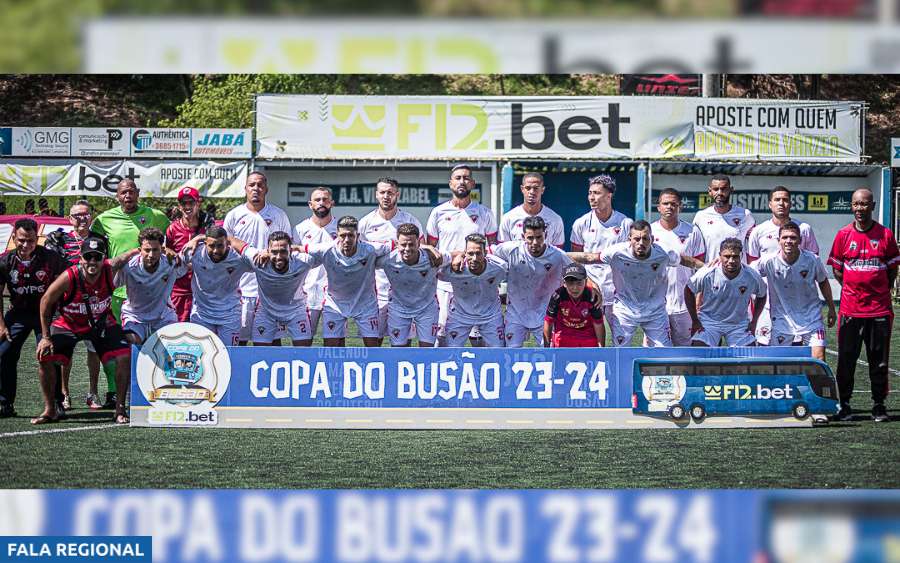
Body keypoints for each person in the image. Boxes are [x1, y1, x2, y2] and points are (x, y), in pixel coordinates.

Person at [35, 236, 134, 424]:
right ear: (81, 258)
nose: (92, 262)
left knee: (124, 355)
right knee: (44, 356)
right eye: (88, 257)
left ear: (103, 258)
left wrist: (141, 250)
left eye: (97, 257)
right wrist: (46, 337)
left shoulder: (110, 270)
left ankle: (120, 409)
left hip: (101, 323)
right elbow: (45, 301)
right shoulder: (69, 276)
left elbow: (126, 256)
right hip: (69, 323)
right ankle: (50, 409)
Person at [90, 178, 169, 407]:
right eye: (123, 192)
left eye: (131, 192)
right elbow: (94, 249)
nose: (128, 196)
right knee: (116, 346)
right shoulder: (103, 220)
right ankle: (115, 392)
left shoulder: (155, 215)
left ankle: (153, 389)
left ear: (138, 193)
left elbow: (168, 238)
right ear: (117, 196)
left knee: (154, 345)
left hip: (148, 290)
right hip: (116, 293)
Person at [827, 188, 900, 422]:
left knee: (879, 361)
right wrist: (853, 287)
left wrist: (877, 290)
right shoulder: (843, 235)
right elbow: (838, 270)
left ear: (873, 205)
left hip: (879, 310)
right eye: (856, 204)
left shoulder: (886, 235)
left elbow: (892, 270)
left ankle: (879, 405)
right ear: (852, 206)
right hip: (850, 310)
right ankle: (844, 404)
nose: (860, 209)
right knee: (846, 360)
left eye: (864, 204)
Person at [0, 219, 68, 417]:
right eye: (21, 240)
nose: (25, 245)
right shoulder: (5, 261)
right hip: (19, 312)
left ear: (36, 239)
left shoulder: (51, 259)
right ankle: (4, 402)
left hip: (46, 314)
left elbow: (66, 285)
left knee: (49, 354)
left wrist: (61, 315)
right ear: (14, 238)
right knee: (4, 352)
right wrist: (2, 325)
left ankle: (56, 403)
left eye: (30, 241)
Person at [426, 164, 498, 346]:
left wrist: (470, 260)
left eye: (466, 178)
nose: (462, 181)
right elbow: (431, 250)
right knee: (441, 332)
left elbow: (493, 247)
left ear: (472, 183)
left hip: (476, 283)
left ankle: (480, 372)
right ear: (450, 183)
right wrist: (453, 257)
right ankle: (440, 370)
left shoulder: (484, 213)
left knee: (477, 335)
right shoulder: (438, 212)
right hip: (446, 283)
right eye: (457, 178)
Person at [223, 171, 292, 346]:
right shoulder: (234, 215)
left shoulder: (279, 215)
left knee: (272, 342)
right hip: (242, 289)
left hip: (270, 290)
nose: (256, 188)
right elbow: (226, 244)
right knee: (240, 342)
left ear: (266, 189)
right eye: (252, 185)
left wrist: (270, 254)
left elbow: (287, 248)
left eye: (260, 185)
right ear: (245, 188)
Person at [46, 200, 103, 409]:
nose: (82, 219)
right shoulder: (60, 240)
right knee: (64, 352)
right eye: (77, 215)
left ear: (91, 217)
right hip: (66, 305)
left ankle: (93, 393)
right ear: (69, 219)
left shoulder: (100, 240)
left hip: (93, 304)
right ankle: (64, 393)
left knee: (94, 349)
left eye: (86, 214)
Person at [747, 186, 821, 345]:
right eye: (777, 200)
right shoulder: (758, 231)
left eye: (785, 200)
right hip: (767, 302)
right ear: (769, 204)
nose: (781, 203)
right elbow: (752, 269)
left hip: (799, 305)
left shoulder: (804, 229)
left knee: (798, 350)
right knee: (764, 348)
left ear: (791, 204)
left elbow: (812, 264)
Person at [301, 216, 390, 347]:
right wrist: (267, 253)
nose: (346, 240)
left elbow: (398, 246)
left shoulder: (370, 249)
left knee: (373, 349)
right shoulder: (326, 249)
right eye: (343, 236)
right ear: (337, 235)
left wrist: (428, 249)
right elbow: (298, 249)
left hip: (365, 304)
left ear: (358, 236)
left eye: (351, 235)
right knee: (330, 350)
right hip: (335, 304)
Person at [754, 222, 836, 360]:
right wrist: (719, 262)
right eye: (785, 237)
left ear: (800, 240)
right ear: (778, 240)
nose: (788, 241)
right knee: (777, 364)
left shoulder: (812, 260)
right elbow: (746, 272)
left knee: (819, 359)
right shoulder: (768, 261)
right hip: (782, 320)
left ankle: (818, 383)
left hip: (811, 319)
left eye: (793, 237)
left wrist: (832, 308)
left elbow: (823, 282)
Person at [358, 177, 424, 345]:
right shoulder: (365, 223)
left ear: (397, 195)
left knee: (403, 344)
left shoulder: (410, 221)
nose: (386, 196)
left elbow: (421, 252)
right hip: (375, 293)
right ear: (376, 195)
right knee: (373, 342)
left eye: (390, 193)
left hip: (405, 293)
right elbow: (359, 254)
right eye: (382, 192)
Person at [490, 216, 572, 347]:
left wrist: (592, 286)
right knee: (511, 354)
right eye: (530, 238)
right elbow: (486, 252)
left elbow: (576, 271)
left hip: (546, 315)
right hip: (515, 315)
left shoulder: (557, 255)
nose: (535, 242)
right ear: (523, 236)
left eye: (539, 237)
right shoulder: (511, 249)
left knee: (550, 355)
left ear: (545, 235)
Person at [570, 174, 632, 339]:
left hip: (618, 293)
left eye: (597, 193)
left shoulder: (626, 223)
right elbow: (575, 260)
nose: (592, 197)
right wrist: (589, 284)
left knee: (620, 340)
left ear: (609, 195)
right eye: (590, 193)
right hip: (590, 291)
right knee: (589, 339)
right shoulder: (580, 223)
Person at [685, 238, 767, 347]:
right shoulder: (707, 272)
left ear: (741, 256)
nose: (731, 261)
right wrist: (695, 320)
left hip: (738, 324)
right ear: (720, 255)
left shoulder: (752, 275)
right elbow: (688, 290)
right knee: (699, 350)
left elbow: (762, 295)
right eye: (727, 256)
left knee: (748, 357)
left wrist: (754, 321)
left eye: (735, 256)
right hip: (709, 322)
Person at [651, 188, 706, 346]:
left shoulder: (692, 232)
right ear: (658, 207)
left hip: (685, 304)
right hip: (657, 305)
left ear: (680, 206)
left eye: (673, 204)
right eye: (665, 203)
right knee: (657, 352)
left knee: (685, 351)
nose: (669, 207)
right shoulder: (650, 232)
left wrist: (698, 300)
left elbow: (700, 270)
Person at [181, 226, 254, 346]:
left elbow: (262, 265)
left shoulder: (238, 258)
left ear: (227, 243)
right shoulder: (193, 252)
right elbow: (172, 265)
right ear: (205, 243)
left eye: (220, 245)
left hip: (230, 315)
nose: (215, 250)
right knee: (201, 355)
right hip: (201, 314)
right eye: (211, 246)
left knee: (230, 355)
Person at [377, 223, 446, 347]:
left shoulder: (433, 258)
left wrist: (459, 257)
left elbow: (455, 255)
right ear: (397, 244)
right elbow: (366, 263)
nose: (407, 248)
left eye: (411, 244)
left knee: (427, 351)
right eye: (403, 244)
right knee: (398, 350)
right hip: (398, 308)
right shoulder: (388, 260)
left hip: (427, 309)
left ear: (419, 244)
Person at [245, 231, 318, 346]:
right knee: (259, 354)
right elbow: (234, 243)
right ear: (268, 251)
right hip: (266, 311)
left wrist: (300, 248)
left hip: (296, 310)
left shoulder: (304, 261)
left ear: (291, 251)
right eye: (274, 252)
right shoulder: (257, 260)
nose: (279, 257)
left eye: (283, 251)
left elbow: (327, 250)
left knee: (304, 352)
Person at [115, 227, 186, 345]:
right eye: (147, 250)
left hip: (163, 317)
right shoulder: (129, 268)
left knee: (173, 346)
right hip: (135, 316)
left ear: (162, 249)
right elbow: (112, 281)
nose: (151, 255)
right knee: (131, 344)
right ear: (139, 250)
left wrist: (196, 239)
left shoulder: (171, 263)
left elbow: (188, 264)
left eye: (155, 250)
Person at [438, 234, 507, 347]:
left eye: (478, 253)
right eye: (470, 254)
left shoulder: (499, 268)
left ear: (485, 252)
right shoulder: (452, 269)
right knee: (452, 352)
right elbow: (432, 272)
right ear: (465, 252)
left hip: (490, 316)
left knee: (498, 353)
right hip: (460, 316)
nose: (474, 258)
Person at [292, 186, 338, 337]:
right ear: (310, 204)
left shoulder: (340, 229)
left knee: (335, 341)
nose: (321, 203)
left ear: (332, 203)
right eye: (317, 200)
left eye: (325, 199)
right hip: (308, 291)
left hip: (335, 292)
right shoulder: (300, 229)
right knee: (305, 339)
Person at [165, 187, 215, 323]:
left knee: (202, 333)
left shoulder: (208, 227)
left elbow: (218, 246)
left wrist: (198, 238)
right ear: (179, 206)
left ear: (198, 203)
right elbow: (166, 253)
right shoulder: (172, 229)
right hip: (179, 290)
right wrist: (179, 260)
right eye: (183, 203)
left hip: (203, 290)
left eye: (191, 203)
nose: (187, 206)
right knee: (178, 332)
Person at [692, 174, 755, 263]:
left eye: (724, 189)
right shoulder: (701, 217)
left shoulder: (745, 215)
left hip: (738, 273)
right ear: (710, 191)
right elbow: (696, 249)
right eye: (716, 189)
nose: (720, 193)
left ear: (731, 190)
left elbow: (753, 247)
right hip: (711, 273)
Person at [543, 263, 605, 348]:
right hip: (564, 336)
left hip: (587, 336)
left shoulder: (592, 297)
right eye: (570, 283)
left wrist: (601, 350)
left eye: (579, 283)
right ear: (564, 283)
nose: (575, 288)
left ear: (586, 282)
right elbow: (548, 322)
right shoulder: (557, 296)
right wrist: (547, 349)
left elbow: (598, 324)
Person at [498, 172, 565, 247]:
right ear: (522, 189)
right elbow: (502, 252)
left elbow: (558, 253)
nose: (532, 192)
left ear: (542, 190)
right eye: (528, 188)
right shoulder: (508, 218)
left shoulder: (555, 219)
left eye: (536, 188)